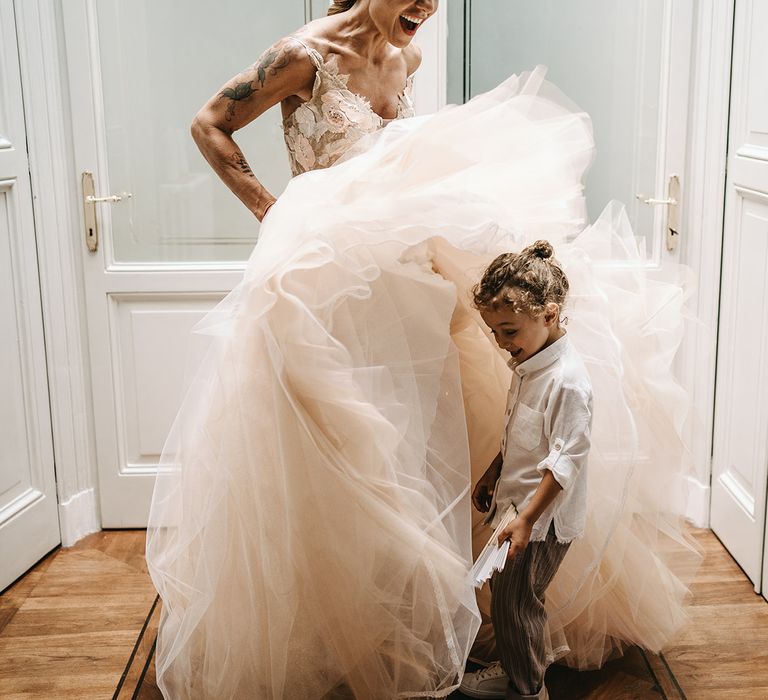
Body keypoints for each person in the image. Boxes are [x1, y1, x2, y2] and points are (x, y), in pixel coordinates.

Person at [146, 0, 701, 697]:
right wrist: (274, 211)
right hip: (325, 299)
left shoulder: (405, 57)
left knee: (423, 453)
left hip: (409, 290)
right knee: (352, 461)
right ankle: (345, 632)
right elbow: (210, 123)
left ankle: (432, 620)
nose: (428, 7)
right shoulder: (302, 55)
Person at [459, 242, 593, 700]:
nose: (502, 342)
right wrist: (495, 471)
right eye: (494, 331)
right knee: (507, 599)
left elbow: (565, 461)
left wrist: (527, 519)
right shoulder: (528, 365)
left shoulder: (567, 381)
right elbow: (519, 431)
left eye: (509, 330)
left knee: (519, 606)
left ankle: (528, 688)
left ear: (550, 315)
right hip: (517, 504)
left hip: (541, 521)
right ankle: (517, 672)